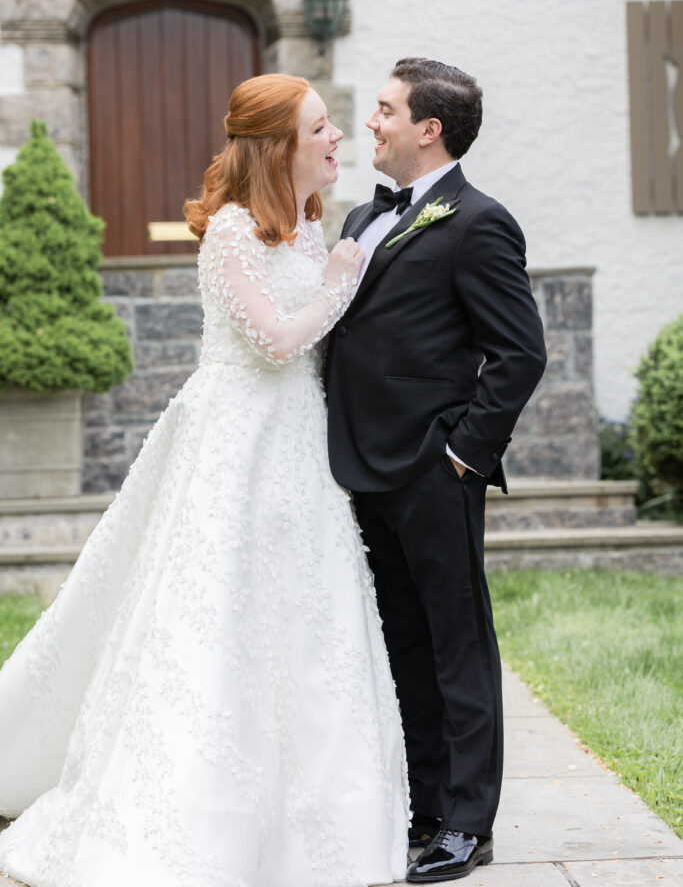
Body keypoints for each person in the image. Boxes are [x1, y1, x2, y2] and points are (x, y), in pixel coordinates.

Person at [0, 74, 410, 887]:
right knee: (211, 613)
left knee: (311, 619)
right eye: (321, 128)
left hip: (299, 448)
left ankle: (317, 814)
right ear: (280, 146)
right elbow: (271, 342)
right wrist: (338, 282)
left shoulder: (307, 227)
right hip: (233, 442)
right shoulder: (230, 232)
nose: (338, 139)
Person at [325, 58, 547, 883]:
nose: (369, 121)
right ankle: (420, 808)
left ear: (428, 128)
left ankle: (466, 824)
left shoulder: (478, 222)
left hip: (429, 469)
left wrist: (460, 453)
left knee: (456, 648)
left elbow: (519, 353)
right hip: (357, 470)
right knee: (400, 647)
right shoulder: (361, 214)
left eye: (384, 109)